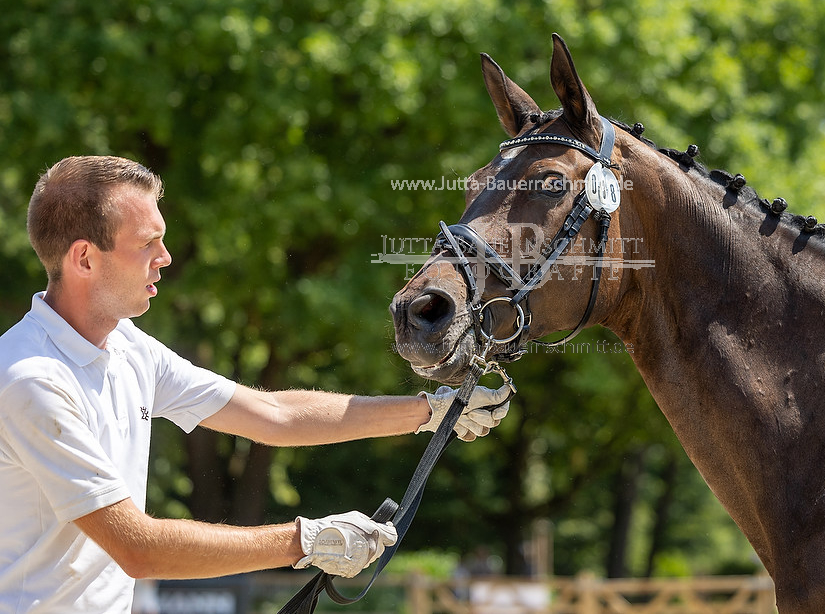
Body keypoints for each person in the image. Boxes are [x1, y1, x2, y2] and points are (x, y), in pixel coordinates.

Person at [0, 155, 511, 613]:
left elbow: (275, 416)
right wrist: (306, 541)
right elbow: (139, 548)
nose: (166, 256)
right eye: (146, 243)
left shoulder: (128, 347)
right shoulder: (33, 381)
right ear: (84, 258)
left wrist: (432, 412)